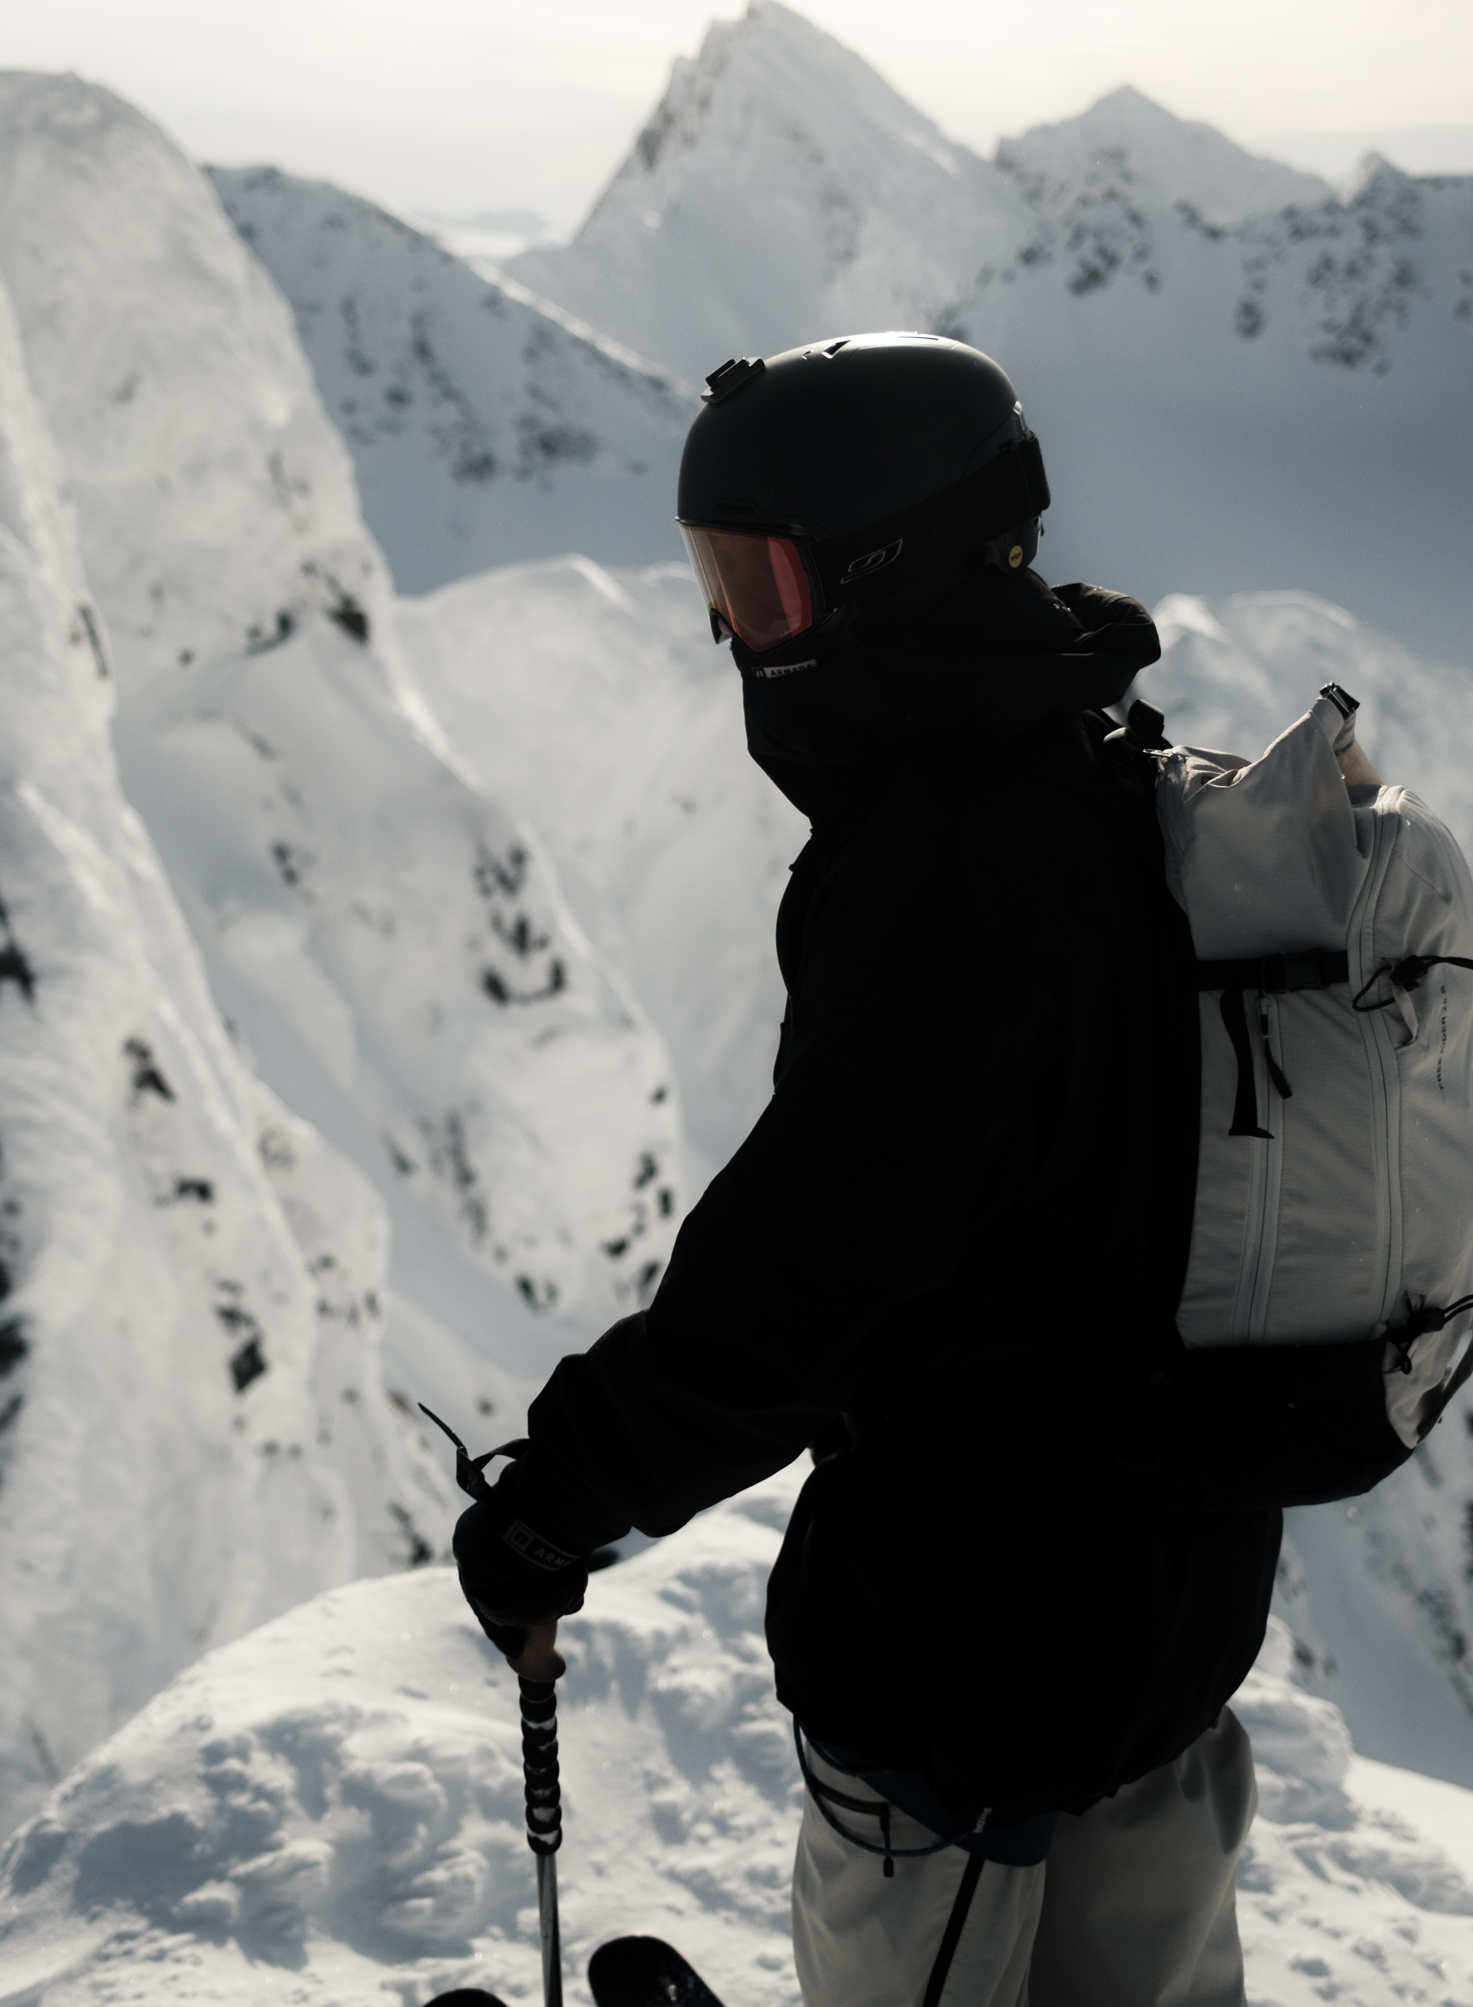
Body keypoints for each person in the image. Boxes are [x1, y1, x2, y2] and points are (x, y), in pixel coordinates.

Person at [451, 333, 1281, 2007]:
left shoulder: (949, 874)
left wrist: (559, 1501)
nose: (735, 636)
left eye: (763, 588)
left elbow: (817, 1262)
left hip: (969, 1647)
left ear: (886, 575)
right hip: (1172, 1603)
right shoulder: (1118, 781)